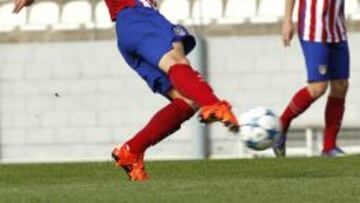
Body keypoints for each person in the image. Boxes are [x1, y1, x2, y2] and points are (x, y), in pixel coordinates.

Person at [14, 0, 240, 181]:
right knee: (175, 59)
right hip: (138, 17)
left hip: (129, 30)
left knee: (187, 101)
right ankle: (214, 104)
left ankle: (131, 152)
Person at [273, 0, 349, 157]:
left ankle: (329, 147)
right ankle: (282, 124)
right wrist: (288, 21)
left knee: (341, 85)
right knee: (318, 87)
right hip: (313, 30)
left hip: (337, 30)